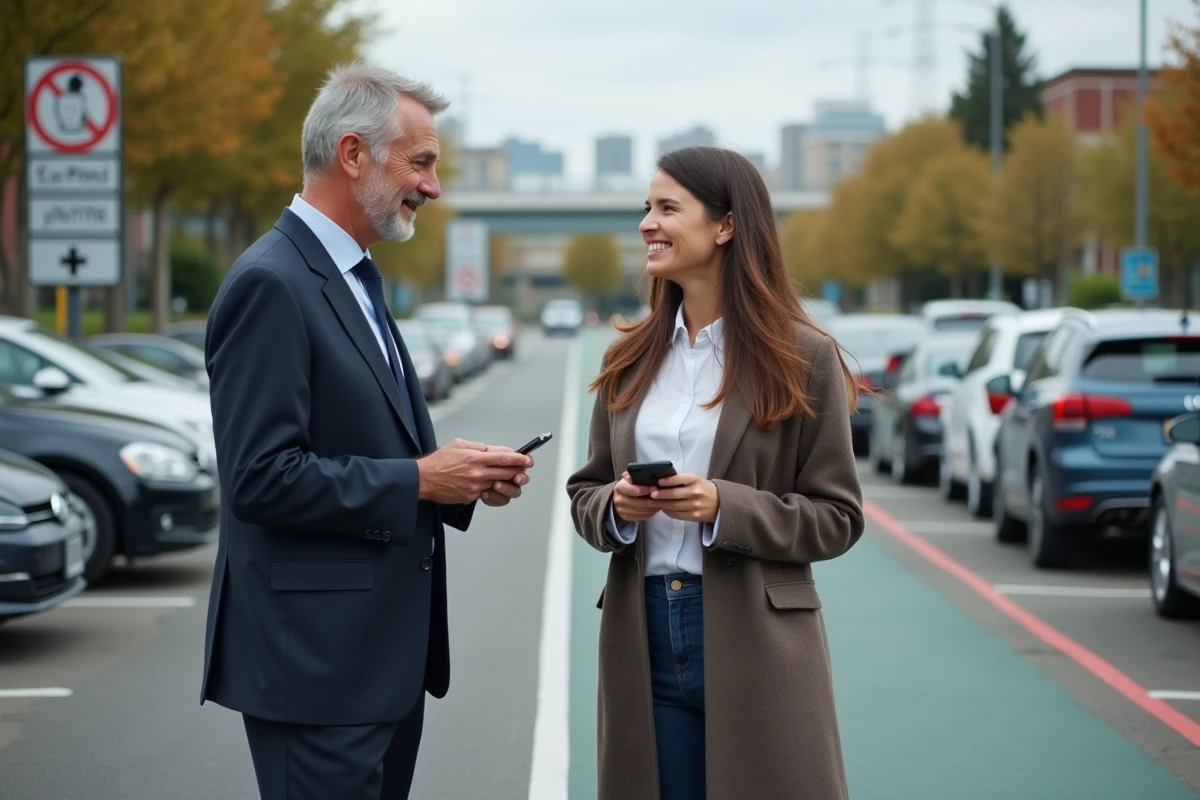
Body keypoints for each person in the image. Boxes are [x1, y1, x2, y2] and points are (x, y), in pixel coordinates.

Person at [199, 62, 534, 800]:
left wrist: (458, 482)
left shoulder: (354, 275)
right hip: (317, 670)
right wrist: (420, 478)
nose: (433, 186)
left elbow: (363, 442)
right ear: (354, 155)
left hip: (376, 666)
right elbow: (259, 478)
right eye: (421, 163)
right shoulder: (272, 282)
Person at [566, 146, 865, 800]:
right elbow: (585, 490)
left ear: (726, 225)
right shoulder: (627, 358)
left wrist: (720, 506)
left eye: (667, 207)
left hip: (757, 642)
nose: (647, 222)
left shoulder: (803, 358)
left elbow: (839, 517)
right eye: (646, 207)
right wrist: (616, 509)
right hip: (641, 635)